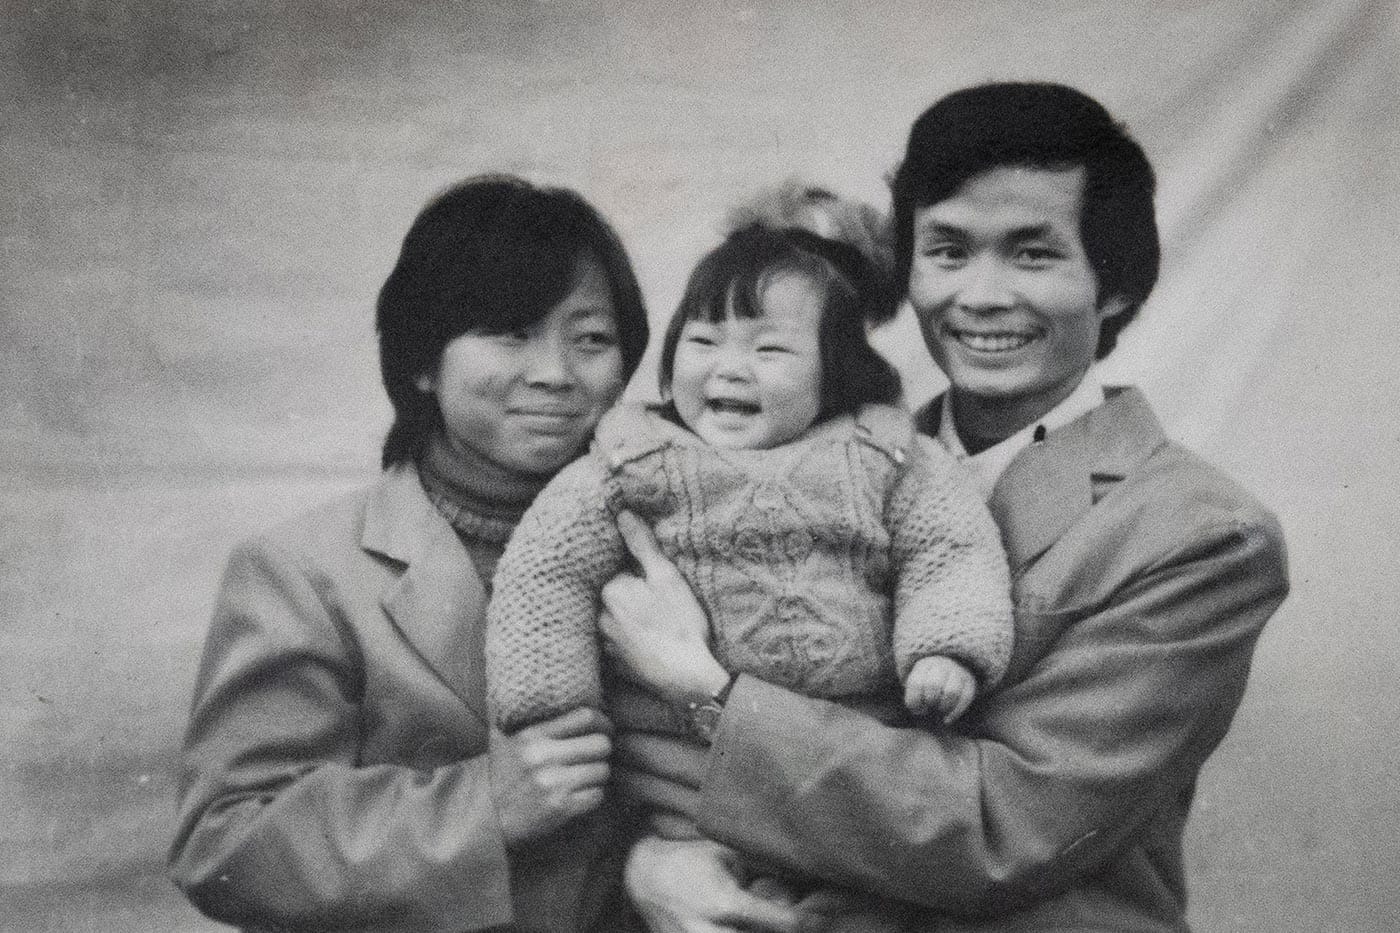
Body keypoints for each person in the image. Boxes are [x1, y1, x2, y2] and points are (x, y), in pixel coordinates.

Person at [600, 82, 1290, 932]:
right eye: (949, 250)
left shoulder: (1202, 533)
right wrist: (644, 858)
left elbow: (1005, 828)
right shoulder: (812, 457)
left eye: (1033, 254)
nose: (982, 294)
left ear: (1116, 286)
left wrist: (705, 689)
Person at [485, 212, 1014, 928]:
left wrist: (948, 646)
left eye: (770, 348)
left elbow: (951, 547)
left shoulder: (886, 454)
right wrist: (549, 704)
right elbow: (546, 569)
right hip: (682, 794)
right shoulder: (633, 458)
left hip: (852, 771)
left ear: (837, 373)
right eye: (702, 342)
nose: (728, 367)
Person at [168, 175, 650, 932]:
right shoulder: (303, 570)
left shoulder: (664, 540)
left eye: (590, 338)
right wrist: (485, 805)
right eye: (512, 332)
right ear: (423, 360)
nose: (556, 372)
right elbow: (227, 839)